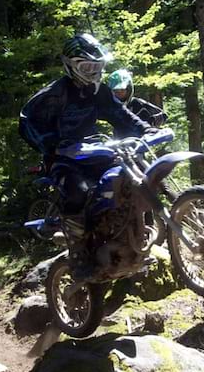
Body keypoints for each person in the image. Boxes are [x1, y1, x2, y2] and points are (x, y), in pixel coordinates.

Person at [19, 33, 153, 278]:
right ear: (71, 66)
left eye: (97, 66)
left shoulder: (99, 92)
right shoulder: (56, 92)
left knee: (128, 176)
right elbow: (27, 121)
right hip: (61, 159)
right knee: (78, 191)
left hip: (92, 151)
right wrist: (52, 144)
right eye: (87, 66)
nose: (92, 72)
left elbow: (119, 113)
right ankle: (79, 254)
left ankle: (135, 235)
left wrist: (146, 129)